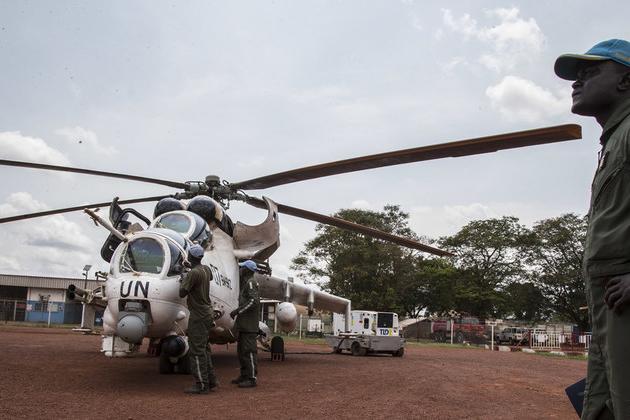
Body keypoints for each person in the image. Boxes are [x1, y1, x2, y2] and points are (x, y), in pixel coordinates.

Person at [555, 39, 630, 419]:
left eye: (591, 72)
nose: (577, 81)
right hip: (608, 304)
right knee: (602, 406)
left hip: (622, 298)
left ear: (626, 81)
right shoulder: (614, 140)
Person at [179, 244, 218, 394]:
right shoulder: (205, 269)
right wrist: (190, 268)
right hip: (207, 313)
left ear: (191, 256)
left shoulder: (193, 274)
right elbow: (207, 276)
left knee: (196, 350)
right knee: (204, 349)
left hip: (198, 315)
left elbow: (182, 292)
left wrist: (184, 278)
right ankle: (211, 381)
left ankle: (201, 384)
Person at [230, 260, 260, 388]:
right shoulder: (246, 283)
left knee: (249, 352)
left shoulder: (251, 283)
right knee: (242, 352)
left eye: (243, 268)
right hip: (244, 325)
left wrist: (238, 311)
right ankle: (244, 375)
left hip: (249, 326)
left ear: (247, 270)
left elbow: (253, 301)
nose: (240, 270)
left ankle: (252, 378)